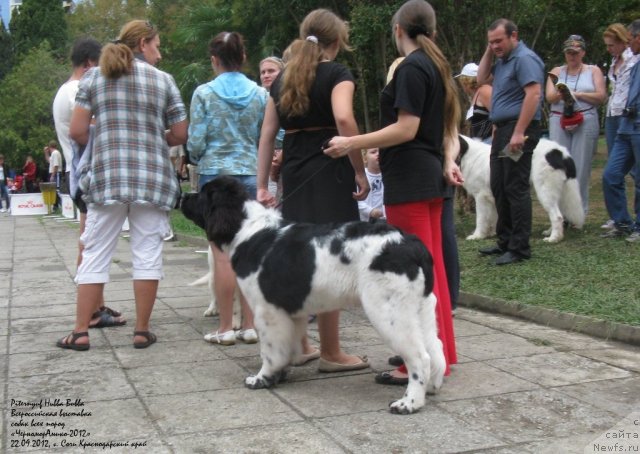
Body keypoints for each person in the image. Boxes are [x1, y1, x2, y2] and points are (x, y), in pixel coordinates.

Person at [323, 0, 461, 383]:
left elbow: (406, 128)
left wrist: (353, 142)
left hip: (412, 180)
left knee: (408, 278)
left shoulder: (413, 67)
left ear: (398, 29)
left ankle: (413, 365)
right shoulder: (434, 65)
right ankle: (441, 354)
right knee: (431, 275)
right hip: (426, 177)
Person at [56, 19, 188, 351]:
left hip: (107, 179)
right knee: (147, 254)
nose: (159, 52)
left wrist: (106, 140)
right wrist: (155, 136)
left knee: (95, 253)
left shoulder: (94, 78)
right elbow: (181, 134)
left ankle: (80, 332)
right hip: (152, 180)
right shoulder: (163, 81)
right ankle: (142, 331)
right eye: (157, 45)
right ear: (143, 43)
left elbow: (77, 131)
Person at [256, 8, 370, 372]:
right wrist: (360, 170)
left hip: (295, 169)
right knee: (331, 260)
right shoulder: (337, 73)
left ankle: (302, 345)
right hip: (330, 170)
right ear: (336, 42)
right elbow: (344, 119)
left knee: (300, 257)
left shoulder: (282, 79)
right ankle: (331, 352)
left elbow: (267, 134)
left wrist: (262, 184)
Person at [188, 31, 267, 345]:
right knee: (247, 252)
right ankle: (249, 325)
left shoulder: (204, 94)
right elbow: (273, 135)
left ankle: (225, 327)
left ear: (214, 60)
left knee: (221, 256)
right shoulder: (261, 94)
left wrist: (198, 156)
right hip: (249, 175)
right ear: (244, 58)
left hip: (214, 181)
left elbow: (195, 142)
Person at [477, 18, 544, 265]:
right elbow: (481, 78)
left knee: (515, 186)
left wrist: (519, 132)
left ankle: (519, 248)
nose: (495, 46)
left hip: (519, 130)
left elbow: (534, 93)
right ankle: (505, 241)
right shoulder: (504, 60)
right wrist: (489, 49)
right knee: (499, 185)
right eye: (491, 42)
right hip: (502, 130)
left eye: (499, 41)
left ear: (514, 36)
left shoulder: (524, 59)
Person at [546, 35, 606, 215]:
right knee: (558, 166)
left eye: (575, 53)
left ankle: (578, 212)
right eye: (569, 53)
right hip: (559, 117)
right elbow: (549, 97)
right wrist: (562, 93)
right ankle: (560, 213)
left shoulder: (593, 70)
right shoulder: (556, 71)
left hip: (585, 117)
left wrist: (577, 94)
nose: (572, 56)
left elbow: (601, 96)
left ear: (583, 53)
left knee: (581, 166)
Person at [602, 19, 640, 243]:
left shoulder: (633, 60)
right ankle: (622, 221)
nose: (629, 42)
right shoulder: (628, 61)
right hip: (624, 124)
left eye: (631, 38)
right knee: (611, 175)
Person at [53, 38, 102, 196]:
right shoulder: (77, 89)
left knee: (86, 219)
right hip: (84, 168)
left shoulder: (63, 90)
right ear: (88, 64)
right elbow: (93, 128)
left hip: (73, 167)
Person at [259, 56, 286, 200]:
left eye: (271, 71)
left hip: (285, 153)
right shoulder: (258, 98)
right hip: (266, 154)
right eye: (263, 72)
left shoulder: (287, 96)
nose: (266, 75)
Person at [456, 62, 493, 143]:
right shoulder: (477, 94)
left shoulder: (485, 90)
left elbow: (497, 115)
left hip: (490, 141)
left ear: (465, 81)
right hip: (481, 142)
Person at [358, 148, 385, 221]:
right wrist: (370, 211)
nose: (378, 154)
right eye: (373, 152)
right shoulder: (360, 176)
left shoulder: (388, 174)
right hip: (366, 220)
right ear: (365, 158)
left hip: (386, 219)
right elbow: (356, 200)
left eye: (380, 151)